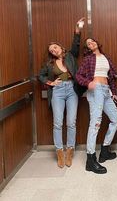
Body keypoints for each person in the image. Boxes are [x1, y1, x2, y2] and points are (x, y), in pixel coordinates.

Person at [39, 18, 86, 168]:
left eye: (55, 47)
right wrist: (51, 83)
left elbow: (76, 44)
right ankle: (60, 152)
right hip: (58, 92)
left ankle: (70, 151)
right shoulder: (49, 64)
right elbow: (41, 75)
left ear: (60, 47)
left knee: (71, 122)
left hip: (72, 89)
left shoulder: (71, 55)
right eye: (51, 50)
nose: (53, 50)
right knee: (58, 123)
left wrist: (77, 29)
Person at [76, 38, 117, 174]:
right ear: (88, 48)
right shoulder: (88, 59)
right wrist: (87, 83)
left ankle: (105, 150)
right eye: (88, 44)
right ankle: (90, 159)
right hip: (96, 90)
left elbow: (111, 77)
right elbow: (78, 75)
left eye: (92, 41)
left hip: (106, 90)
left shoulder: (105, 58)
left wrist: (113, 93)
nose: (91, 43)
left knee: (116, 120)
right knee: (96, 123)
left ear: (97, 43)